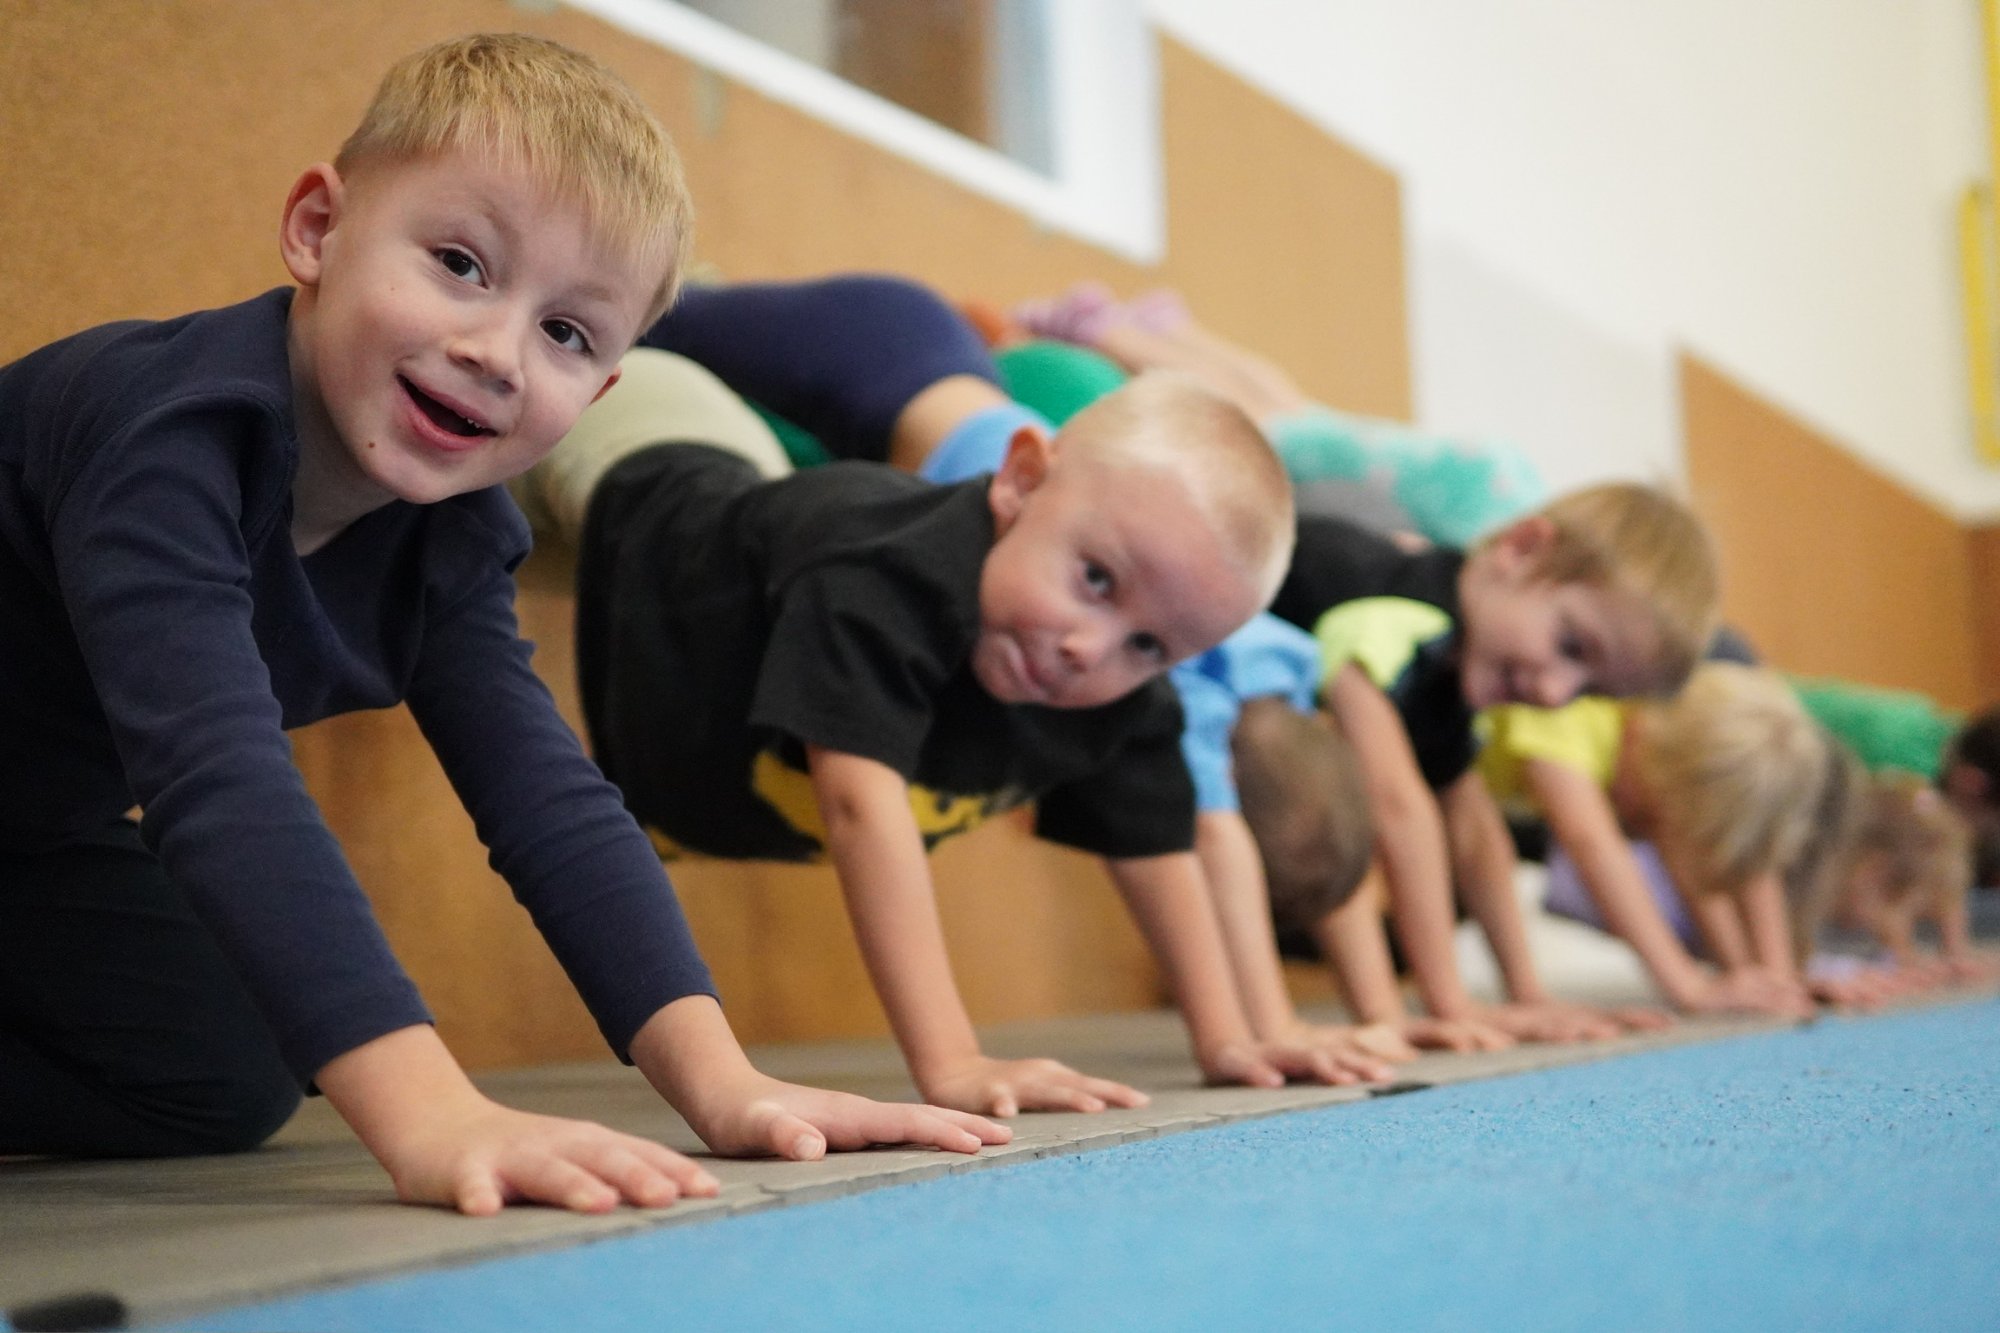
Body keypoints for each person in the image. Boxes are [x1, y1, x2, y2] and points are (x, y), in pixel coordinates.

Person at [0, 34, 1009, 1216]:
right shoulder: (173, 437)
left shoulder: (452, 535)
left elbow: (548, 803)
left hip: (29, 831)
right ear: (317, 229)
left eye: (568, 335)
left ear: (600, 397)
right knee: (336, 1042)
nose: (495, 351)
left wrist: (723, 1082)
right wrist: (431, 1110)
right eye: (460, 264)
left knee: (229, 1065)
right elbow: (216, 780)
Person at [605, 275, 1411, 1076]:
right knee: (636, 309)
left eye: (1149, 646)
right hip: (745, 407)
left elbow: (1159, 847)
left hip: (802, 483)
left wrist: (1232, 1038)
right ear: (1022, 482)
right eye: (1096, 579)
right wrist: (953, 1058)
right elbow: (858, 806)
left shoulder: (1114, 685)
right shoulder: (887, 578)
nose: (1090, 650)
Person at [1261, 483, 1720, 1044]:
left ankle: (1452, 1000)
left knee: (1467, 808)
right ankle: (1378, 1011)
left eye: (1588, 691)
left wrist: (1527, 994)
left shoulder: (1461, 664)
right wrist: (1445, 1006)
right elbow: (1394, 808)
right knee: (1337, 789)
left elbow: (1478, 838)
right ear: (1520, 549)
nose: (1555, 693)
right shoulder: (1396, 610)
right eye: (1572, 645)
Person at [1007, 282, 1548, 546]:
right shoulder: (1495, 542)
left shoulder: (1528, 509)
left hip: (1452, 472)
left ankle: (1170, 329)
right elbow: (1408, 554)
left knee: (1287, 404)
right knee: (1253, 423)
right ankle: (1107, 331)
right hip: (1422, 488)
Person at [1478, 664, 1827, 1018]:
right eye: (1660, 820)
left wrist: (1774, 978)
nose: (1648, 831)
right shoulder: (1564, 709)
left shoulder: (1660, 748)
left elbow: (1713, 860)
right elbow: (1593, 845)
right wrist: (1689, 986)